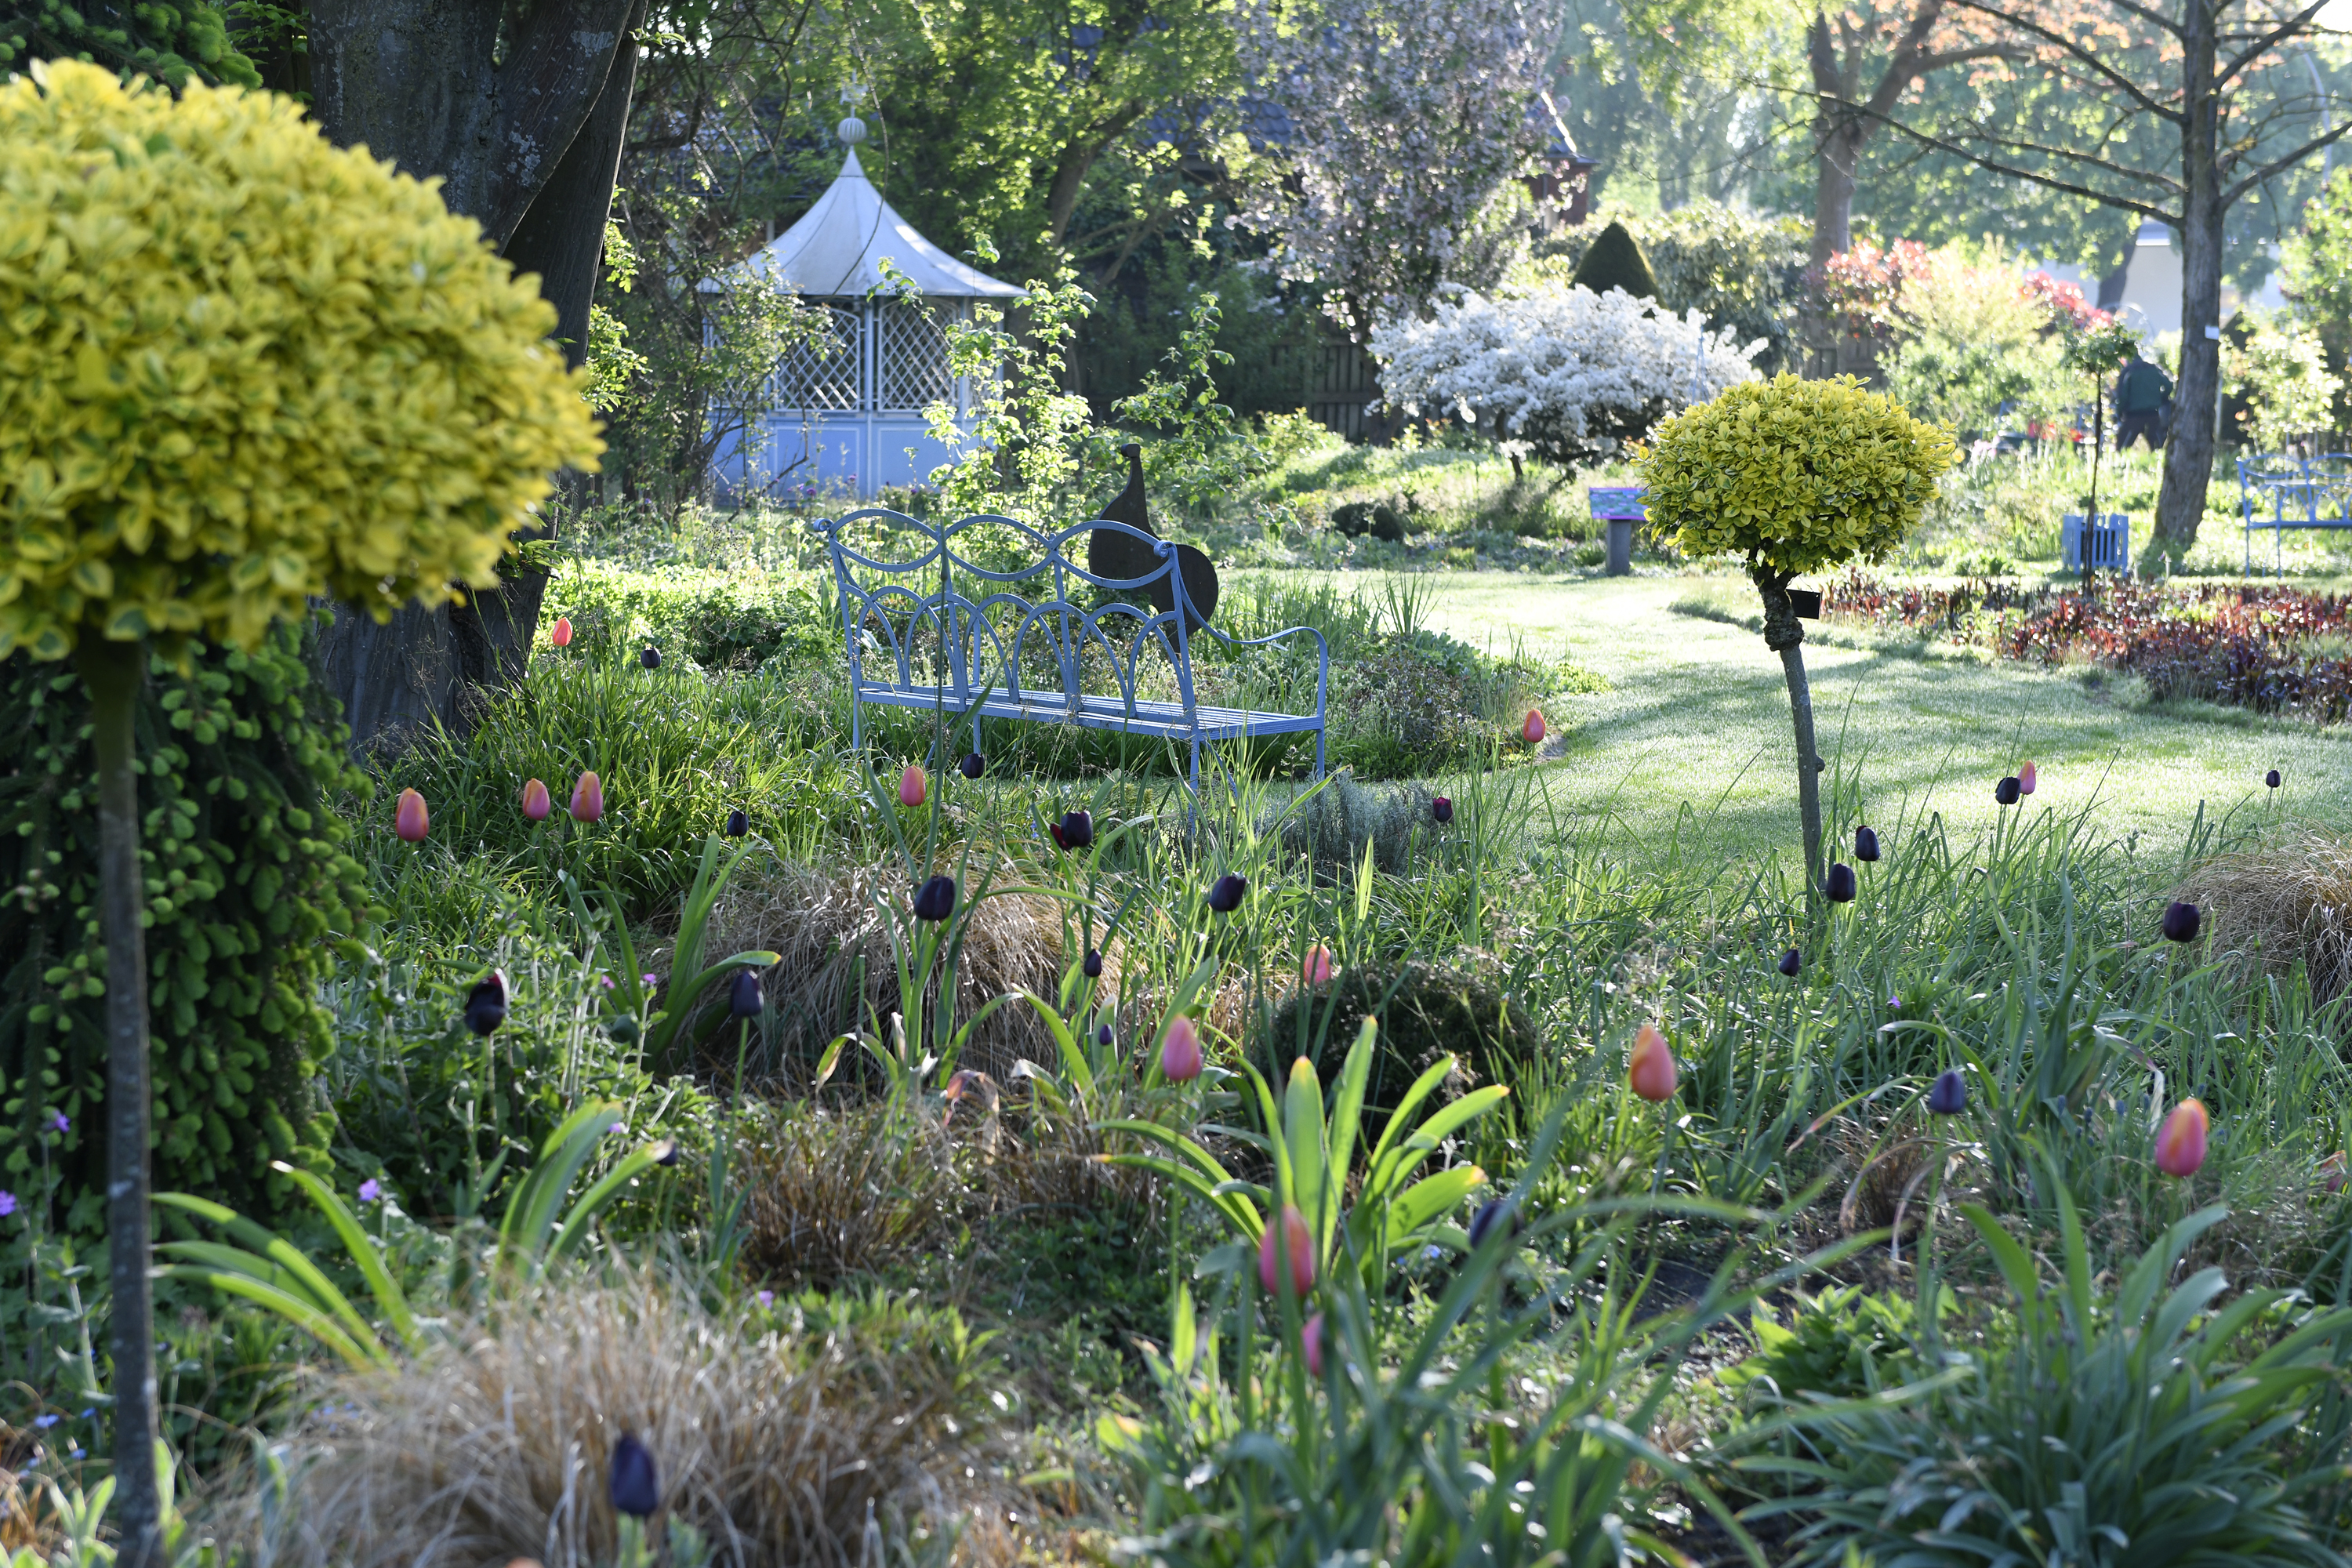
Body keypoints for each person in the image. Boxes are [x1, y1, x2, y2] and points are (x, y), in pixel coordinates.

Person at [2113, 347, 2173, 450]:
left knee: (2121, 449)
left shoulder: (2128, 372)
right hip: (2153, 414)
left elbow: (2122, 396)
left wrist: (2118, 413)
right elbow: (2168, 385)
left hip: (2133, 416)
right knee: (2158, 448)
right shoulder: (2153, 369)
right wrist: (2160, 398)